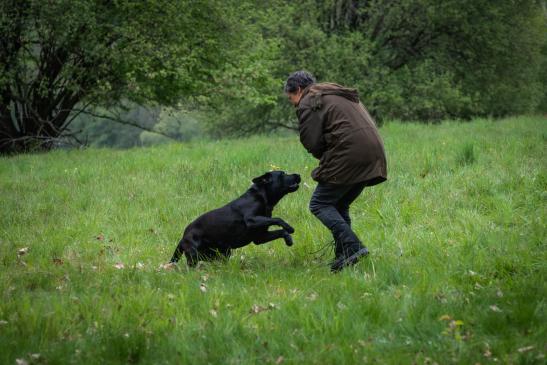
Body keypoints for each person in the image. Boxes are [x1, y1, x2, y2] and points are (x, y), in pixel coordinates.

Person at [285, 70, 387, 272]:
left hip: (351, 153)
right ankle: (344, 257)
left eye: (291, 98)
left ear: (298, 90)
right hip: (373, 153)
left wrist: (325, 158)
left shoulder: (309, 101)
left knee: (319, 204)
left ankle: (354, 246)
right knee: (339, 204)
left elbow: (312, 142)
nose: (294, 103)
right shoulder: (336, 94)